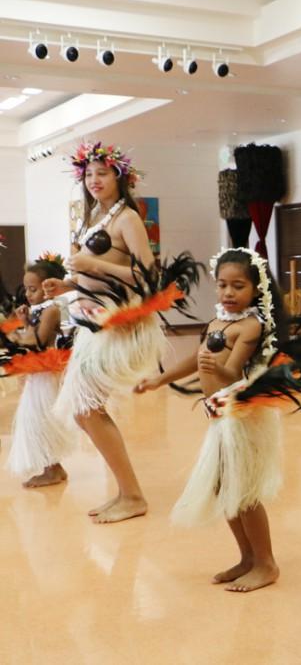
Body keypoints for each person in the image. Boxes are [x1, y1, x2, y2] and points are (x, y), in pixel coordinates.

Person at [50, 141, 199, 524]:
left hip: (115, 325)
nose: (94, 180)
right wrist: (67, 285)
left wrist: (93, 266)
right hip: (92, 321)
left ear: (120, 177)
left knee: (87, 409)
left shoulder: (127, 218)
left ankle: (132, 495)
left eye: (102, 173)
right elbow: (94, 273)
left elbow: (149, 276)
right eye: (89, 174)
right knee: (84, 412)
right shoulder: (96, 217)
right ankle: (126, 491)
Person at [135, 248, 285, 593]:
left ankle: (266, 563)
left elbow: (232, 372)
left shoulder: (251, 325)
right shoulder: (217, 322)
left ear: (256, 289)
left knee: (244, 490)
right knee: (224, 487)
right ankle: (247, 557)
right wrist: (160, 379)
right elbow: (196, 358)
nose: (228, 293)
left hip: (239, 416)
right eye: (222, 285)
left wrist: (215, 366)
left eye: (238, 286)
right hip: (218, 416)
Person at [3, 254, 75, 487]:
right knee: (35, 417)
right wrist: (24, 323)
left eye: (32, 289)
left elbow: (39, 340)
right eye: (26, 289)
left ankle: (52, 469)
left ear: (49, 287)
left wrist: (15, 337)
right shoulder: (38, 309)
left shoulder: (52, 309)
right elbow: (31, 335)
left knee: (41, 417)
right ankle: (53, 467)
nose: (27, 294)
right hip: (37, 371)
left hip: (46, 371)